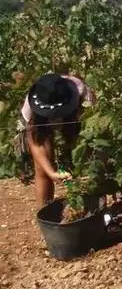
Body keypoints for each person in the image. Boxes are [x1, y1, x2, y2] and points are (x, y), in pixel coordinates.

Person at [17, 73, 94, 206]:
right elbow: (36, 142)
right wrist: (51, 172)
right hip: (42, 128)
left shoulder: (83, 96)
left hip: (75, 121)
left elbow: (93, 128)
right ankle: (44, 212)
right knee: (41, 168)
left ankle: (91, 204)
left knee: (86, 160)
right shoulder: (30, 106)